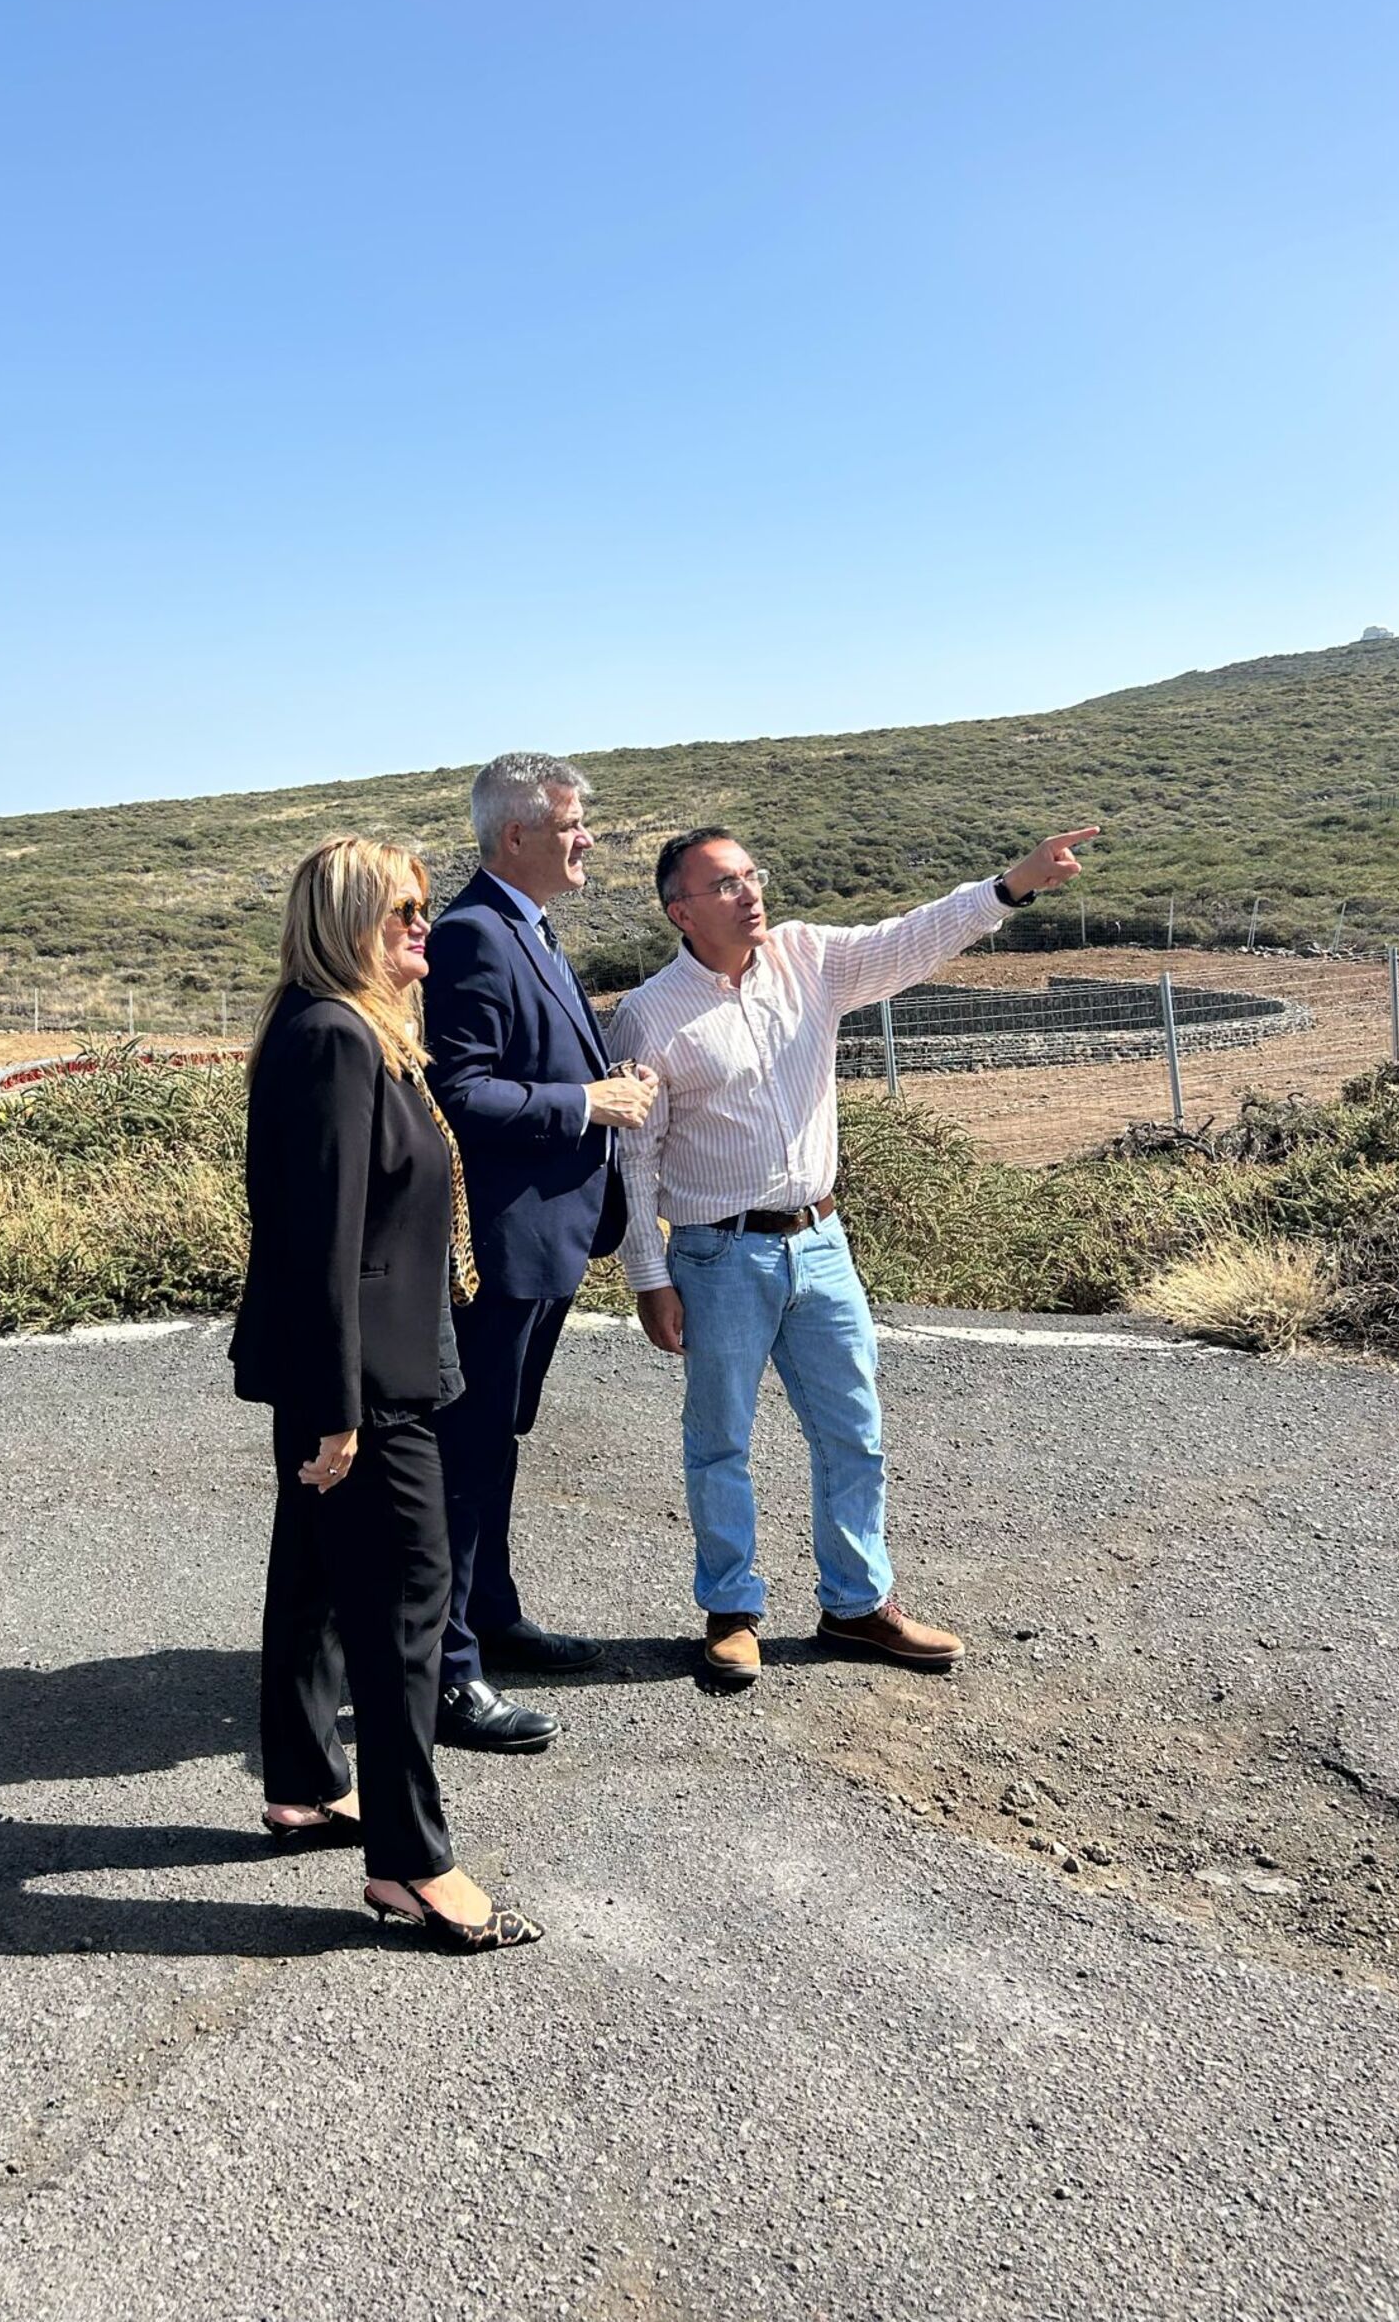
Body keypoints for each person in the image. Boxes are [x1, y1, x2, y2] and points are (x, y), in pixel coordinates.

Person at [609, 824, 1097, 1685]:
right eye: (726, 884)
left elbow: (911, 938)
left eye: (752, 874)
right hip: (717, 1256)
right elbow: (634, 1158)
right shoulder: (649, 1013)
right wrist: (649, 1278)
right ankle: (731, 1610)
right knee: (720, 1441)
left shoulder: (810, 957)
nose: (751, 893)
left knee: (854, 1434)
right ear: (681, 911)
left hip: (822, 1242)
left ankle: (857, 1606)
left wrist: (1009, 886)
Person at [230, 836, 543, 1952]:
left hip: (362, 1365)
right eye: (400, 909)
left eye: (423, 905)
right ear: (345, 924)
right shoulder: (333, 1037)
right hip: (365, 1381)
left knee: (315, 1576)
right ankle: (412, 1864)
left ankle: (306, 1785)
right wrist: (338, 1409)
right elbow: (317, 1238)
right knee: (409, 1605)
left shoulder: (350, 1029)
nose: (422, 924)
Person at [423, 753, 659, 1751]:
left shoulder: (528, 926)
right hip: (501, 1251)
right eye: (570, 824)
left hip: (545, 1241)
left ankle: (493, 1618)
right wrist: (587, 1102)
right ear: (514, 834)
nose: (587, 838)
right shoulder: (473, 935)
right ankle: (447, 1675)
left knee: (495, 1443)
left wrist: (604, 1081)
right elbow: (459, 1091)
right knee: (465, 1452)